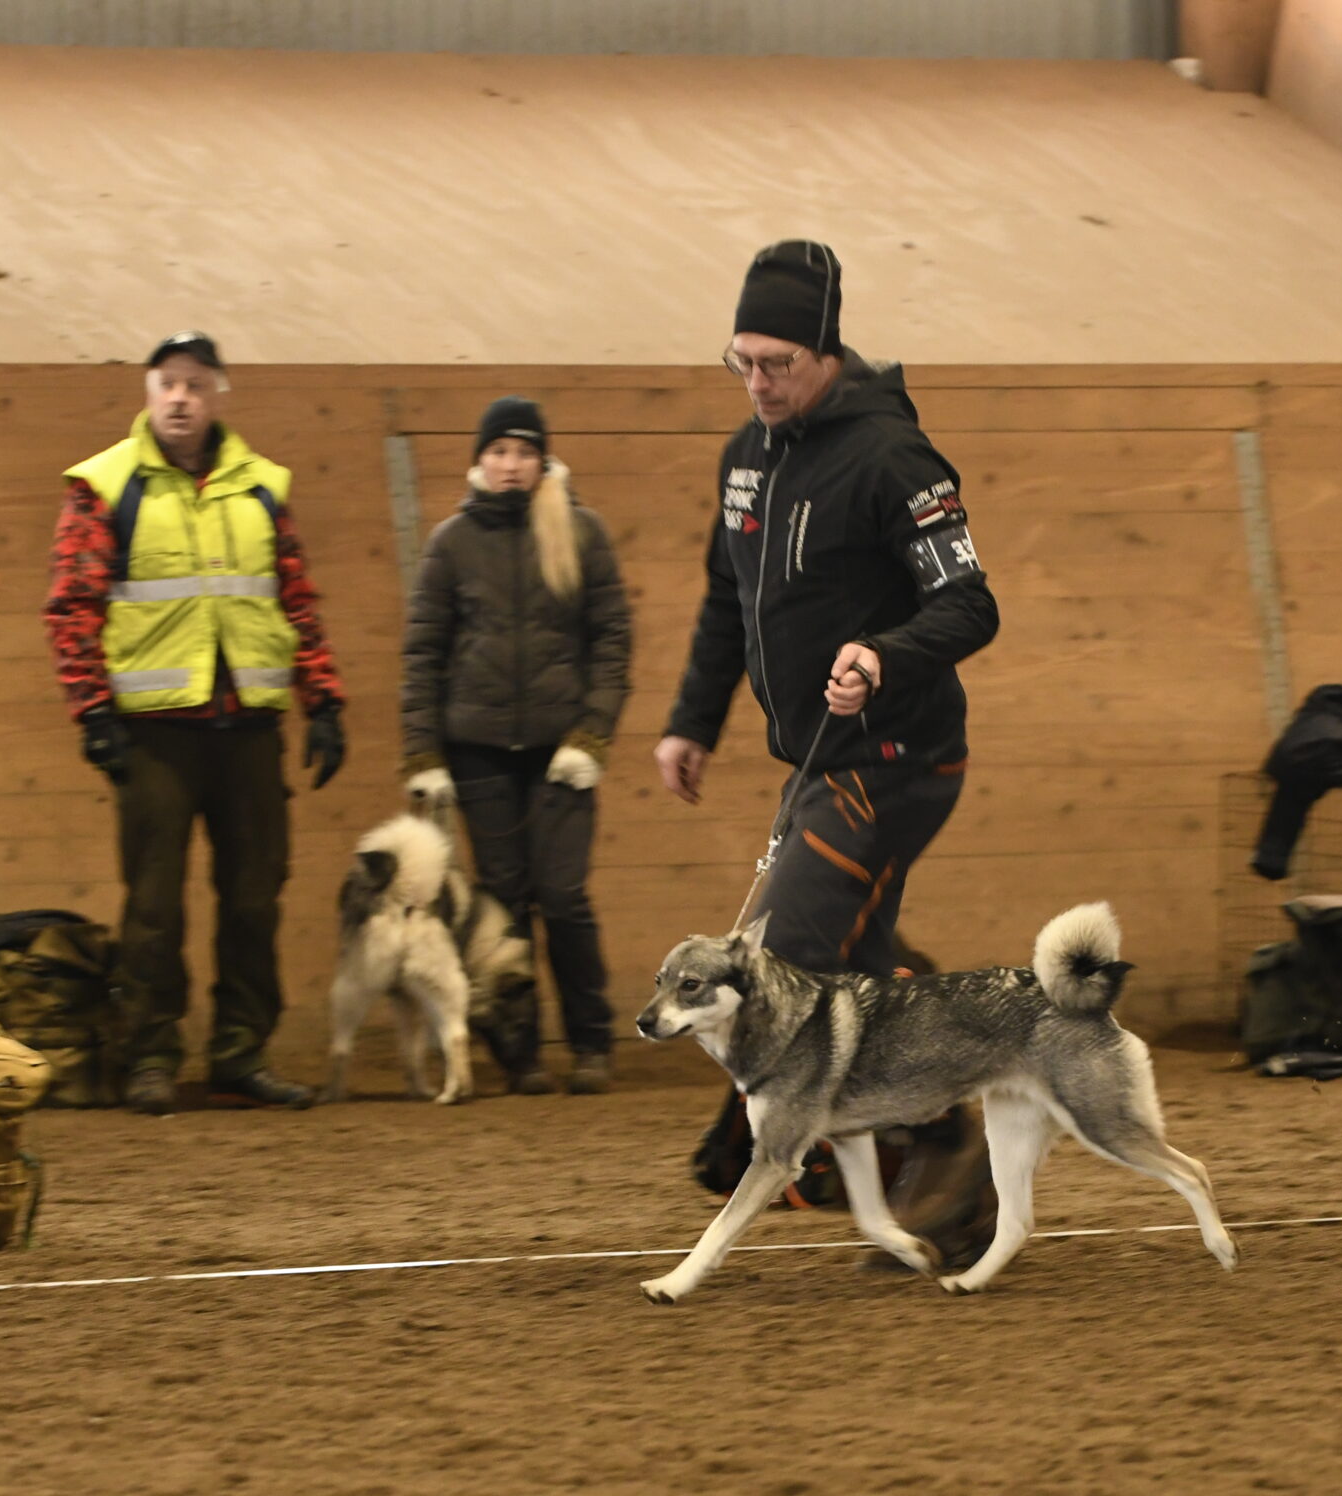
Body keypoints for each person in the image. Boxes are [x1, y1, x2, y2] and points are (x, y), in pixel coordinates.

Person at [654, 239, 1001, 1254]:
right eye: (741, 362)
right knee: (852, 960)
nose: (757, 384)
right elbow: (726, 601)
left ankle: (900, 1135)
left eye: (777, 364)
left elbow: (970, 605)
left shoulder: (894, 459)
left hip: (899, 758)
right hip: (815, 758)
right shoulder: (745, 459)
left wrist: (884, 656)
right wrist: (692, 720)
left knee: (783, 961)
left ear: (826, 353)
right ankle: (946, 1161)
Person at [43, 332, 346, 1116]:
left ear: (217, 394)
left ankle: (241, 1052)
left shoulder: (262, 487)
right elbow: (72, 607)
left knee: (254, 900)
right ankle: (150, 1054)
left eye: (195, 384)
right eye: (168, 383)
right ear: (149, 391)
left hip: (249, 728)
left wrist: (323, 700)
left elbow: (295, 599)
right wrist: (93, 711)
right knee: (153, 907)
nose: (180, 398)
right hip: (155, 734)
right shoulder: (105, 485)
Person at [401, 397, 632, 1094]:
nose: (511, 465)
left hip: (563, 754)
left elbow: (612, 640)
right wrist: (424, 756)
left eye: (525, 452)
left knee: (562, 897)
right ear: (479, 460)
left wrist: (591, 736)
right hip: (478, 752)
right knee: (504, 901)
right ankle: (519, 1050)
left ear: (543, 461)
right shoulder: (450, 543)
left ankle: (591, 1042)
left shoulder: (582, 532)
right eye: (499, 451)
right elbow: (424, 653)